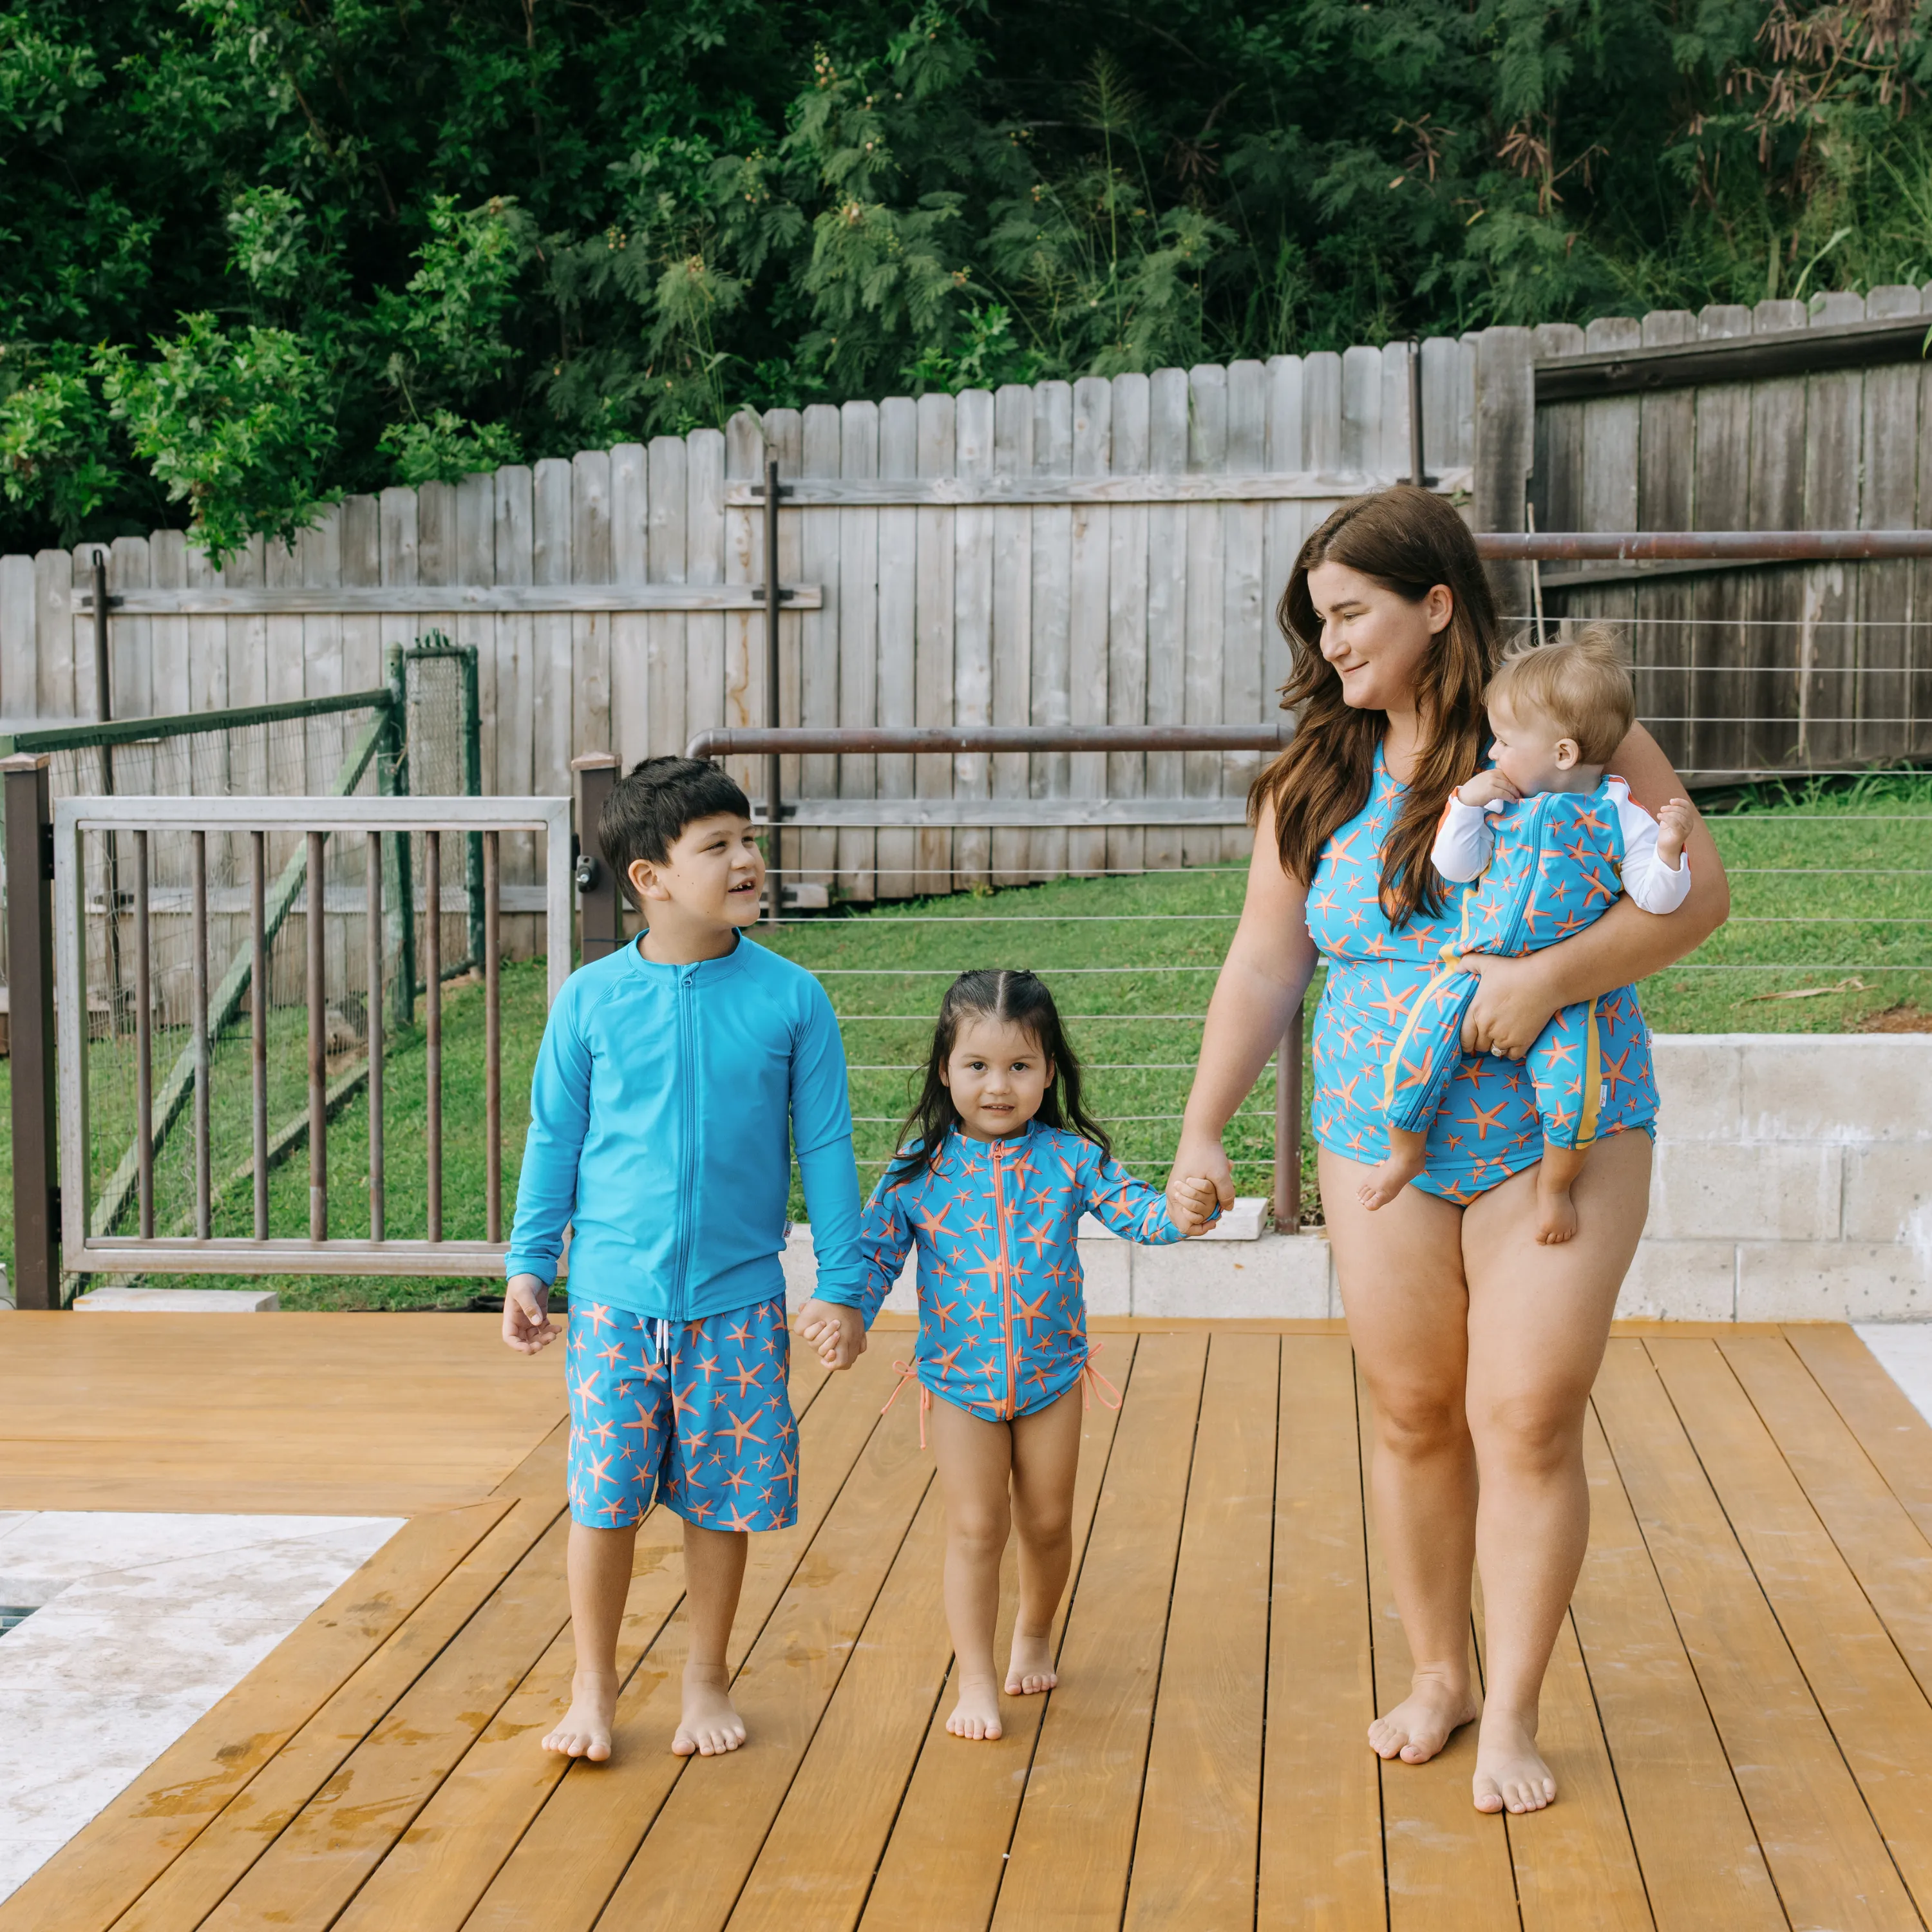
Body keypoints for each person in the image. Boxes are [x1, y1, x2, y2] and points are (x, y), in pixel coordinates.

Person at [1166, 487, 1728, 1816]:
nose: (1334, 646)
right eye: (1320, 624)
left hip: (1560, 1132)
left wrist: (1548, 981)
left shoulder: (1567, 728)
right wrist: (1201, 1125)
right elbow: (1266, 960)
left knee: (1526, 1413)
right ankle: (1441, 1675)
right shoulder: (1318, 772)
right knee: (1415, 1411)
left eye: (1353, 616)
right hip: (1382, 1136)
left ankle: (1515, 1716)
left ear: (1435, 604)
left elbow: (1694, 890)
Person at [501, 756, 867, 1763]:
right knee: (605, 1497)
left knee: (721, 1502)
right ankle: (594, 1684)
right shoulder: (590, 1001)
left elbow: (827, 1150)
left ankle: (707, 1678)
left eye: (749, 840)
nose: (748, 859)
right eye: (718, 847)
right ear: (650, 879)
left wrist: (842, 1285)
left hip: (739, 1305)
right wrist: (531, 1264)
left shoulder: (794, 1001)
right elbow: (553, 1140)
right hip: (615, 1303)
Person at [799, 969, 1218, 1742]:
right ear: (945, 1070)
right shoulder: (916, 1171)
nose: (999, 1086)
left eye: (1020, 1067)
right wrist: (845, 1314)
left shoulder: (1071, 1159)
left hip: (1053, 1377)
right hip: (959, 1384)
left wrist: (1185, 1210)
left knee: (1050, 1524)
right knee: (975, 1529)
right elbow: (874, 1261)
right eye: (978, 1067)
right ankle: (976, 1679)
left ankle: (1034, 1629)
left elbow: (1145, 1217)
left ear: (1049, 1070)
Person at [1359, 624, 1698, 1244]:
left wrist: (1670, 852)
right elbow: (1454, 868)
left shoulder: (1618, 812)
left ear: (1564, 754)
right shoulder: (1498, 802)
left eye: (1506, 742)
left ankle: (1556, 1189)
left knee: (1573, 1097)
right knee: (1417, 1053)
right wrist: (1465, 805)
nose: (1493, 754)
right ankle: (1404, 1154)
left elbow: (1657, 897)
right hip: (1472, 967)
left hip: (1570, 997)